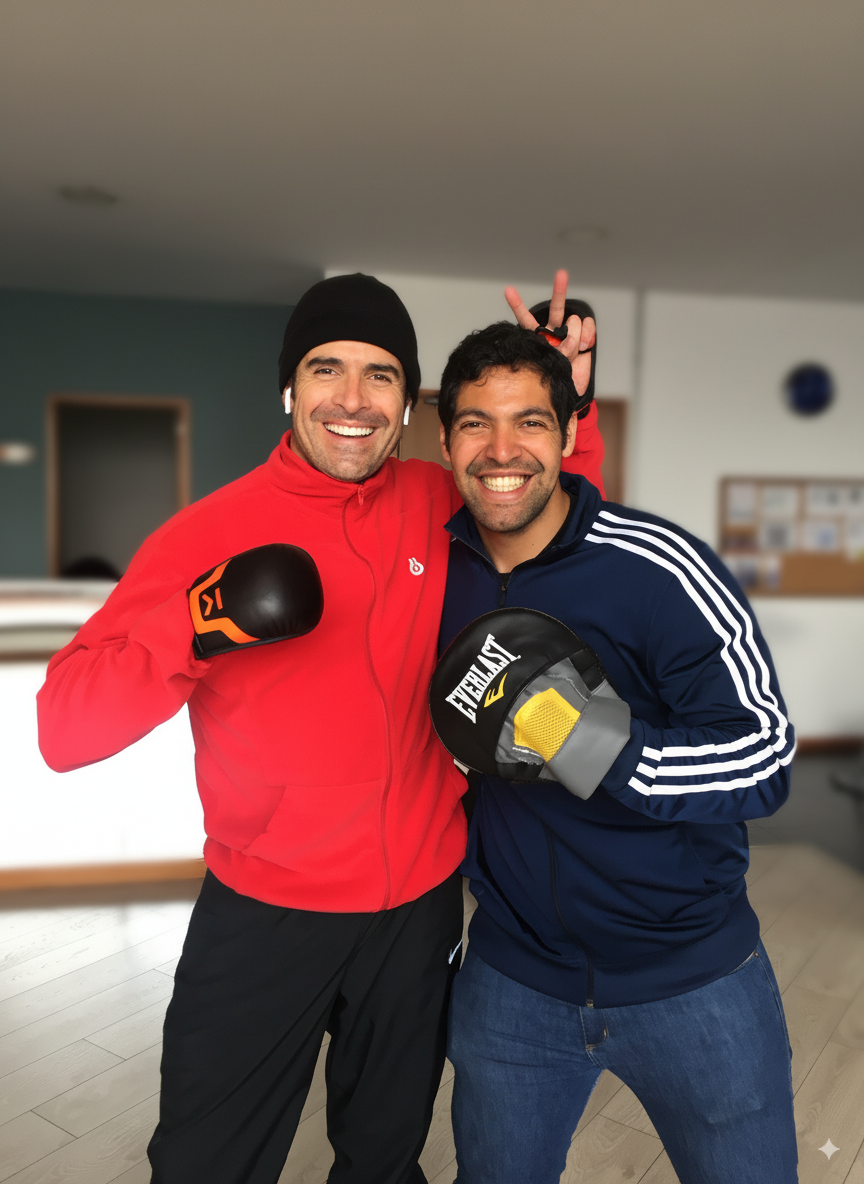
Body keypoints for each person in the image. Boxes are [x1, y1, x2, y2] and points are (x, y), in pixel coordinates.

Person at [36, 271, 604, 1184]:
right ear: (290, 388)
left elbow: (547, 515)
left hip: (416, 910)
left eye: (380, 375)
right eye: (326, 369)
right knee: (205, 1163)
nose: (352, 398)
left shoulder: (434, 499)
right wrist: (196, 625)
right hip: (267, 911)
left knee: (383, 1158)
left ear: (408, 400)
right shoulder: (206, 531)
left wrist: (563, 398)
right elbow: (63, 728)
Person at [432, 320, 798, 1184]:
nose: (501, 448)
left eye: (529, 420)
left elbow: (766, 754)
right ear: (444, 440)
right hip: (512, 977)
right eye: (476, 422)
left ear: (566, 434)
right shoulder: (432, 567)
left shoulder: (658, 566)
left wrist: (588, 741)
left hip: (695, 979)